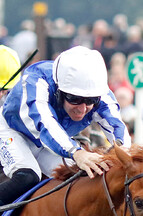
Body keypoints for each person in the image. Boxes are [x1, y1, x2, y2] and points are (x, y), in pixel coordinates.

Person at [0, 46, 130, 207]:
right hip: (14, 131)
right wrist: (77, 153)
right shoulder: (36, 82)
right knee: (28, 176)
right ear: (58, 91)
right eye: (74, 99)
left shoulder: (99, 92)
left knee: (80, 178)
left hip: (51, 139)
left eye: (90, 101)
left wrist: (125, 152)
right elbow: (45, 124)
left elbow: (117, 126)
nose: (82, 108)